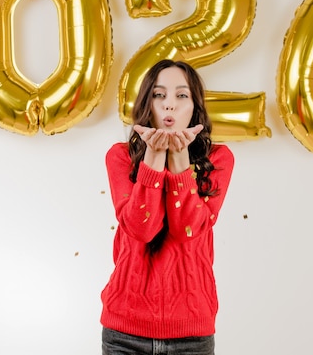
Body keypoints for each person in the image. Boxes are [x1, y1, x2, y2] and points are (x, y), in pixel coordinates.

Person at [100, 59, 234, 355]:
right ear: (147, 103)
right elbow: (141, 228)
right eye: (159, 95)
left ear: (195, 107)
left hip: (192, 333)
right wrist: (153, 157)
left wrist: (180, 160)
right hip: (124, 330)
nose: (169, 105)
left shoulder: (219, 160)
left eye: (181, 95)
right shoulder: (120, 157)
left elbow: (188, 230)